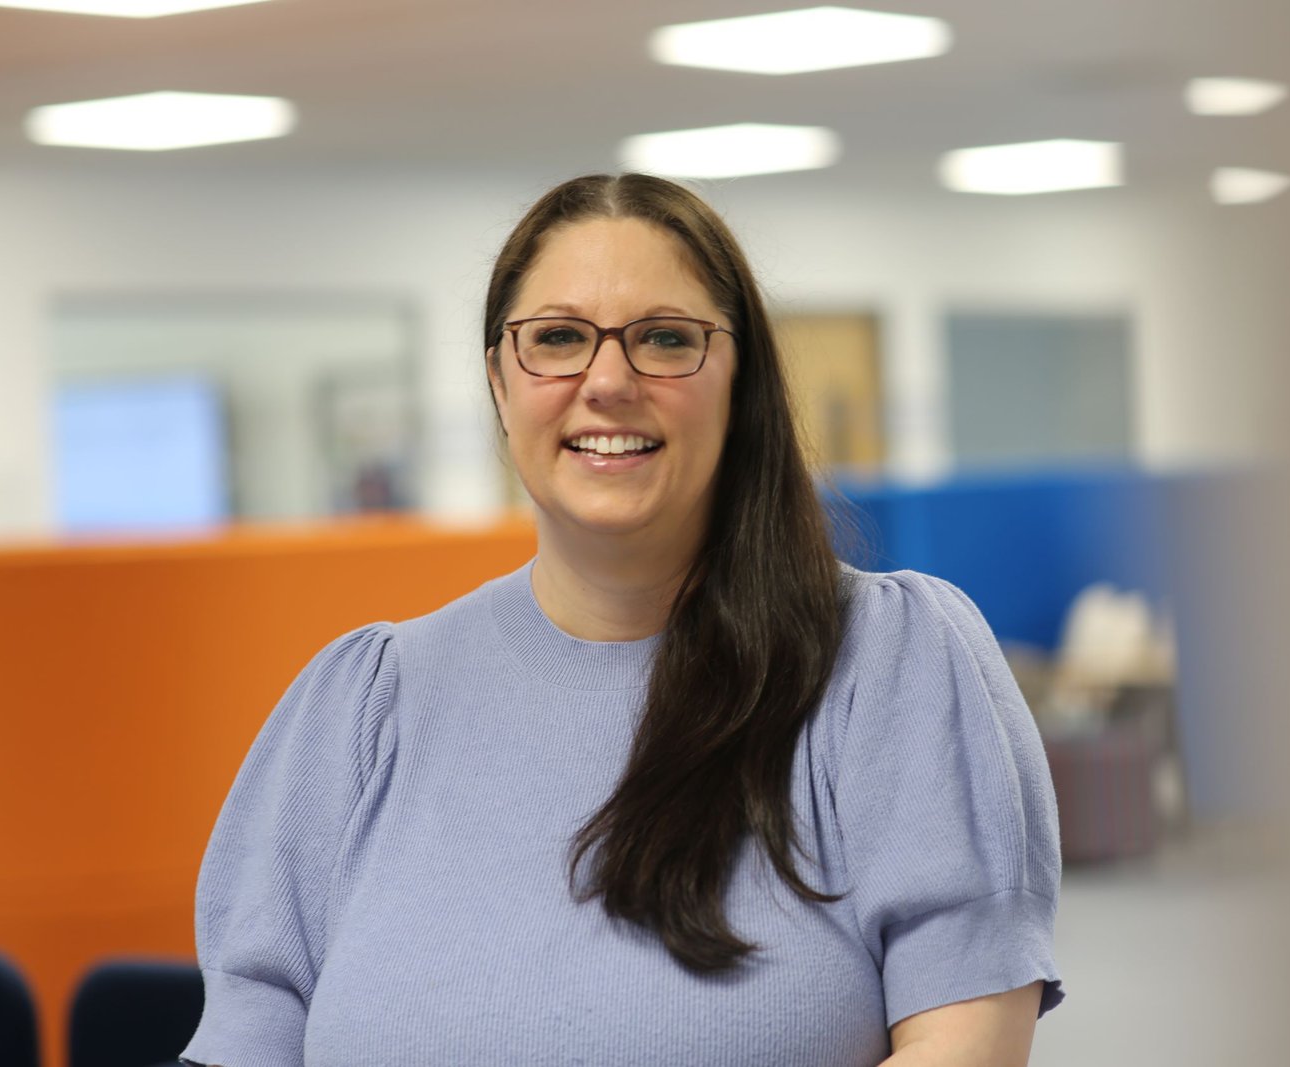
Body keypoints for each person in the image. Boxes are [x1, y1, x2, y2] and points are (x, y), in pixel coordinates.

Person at [178, 173, 1063, 1067]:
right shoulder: (360, 710)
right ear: (498, 379)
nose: (606, 381)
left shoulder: (887, 665)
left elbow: (965, 1046)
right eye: (557, 338)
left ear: (739, 378)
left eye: (665, 339)